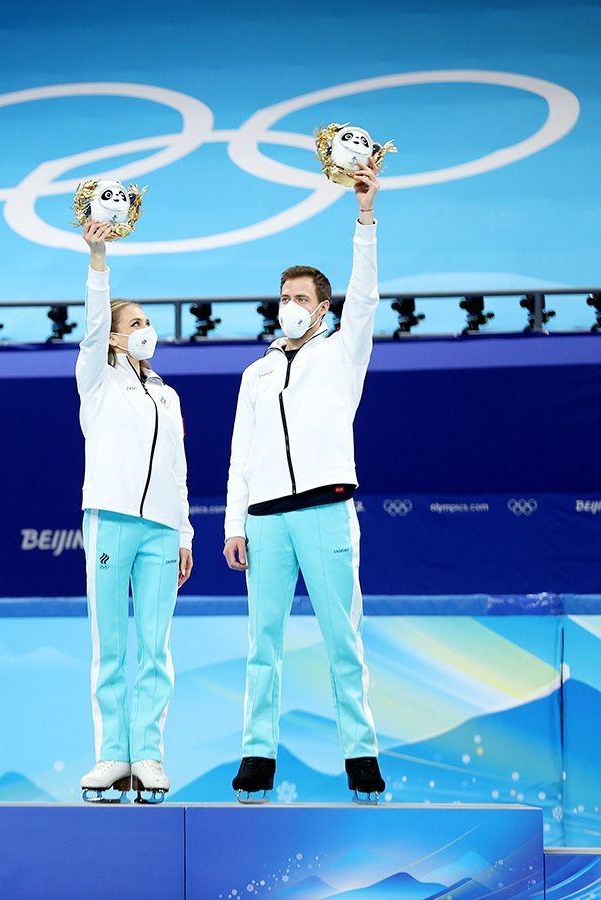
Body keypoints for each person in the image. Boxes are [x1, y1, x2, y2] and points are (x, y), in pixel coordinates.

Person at [223, 160, 385, 803]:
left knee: (343, 637)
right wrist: (234, 524)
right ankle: (257, 757)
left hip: (325, 510)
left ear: (322, 309)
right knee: (261, 645)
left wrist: (365, 216)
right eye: (283, 297)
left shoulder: (343, 354)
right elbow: (240, 454)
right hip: (264, 520)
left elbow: (365, 296)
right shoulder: (256, 374)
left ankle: (361, 755)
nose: (288, 306)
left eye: (300, 299)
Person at [74, 221, 193, 804]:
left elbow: (177, 469)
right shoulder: (96, 380)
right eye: (136, 323)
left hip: (162, 530)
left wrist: (185, 532)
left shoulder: (167, 395)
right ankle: (111, 755)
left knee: (156, 646)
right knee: (111, 644)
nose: (147, 330)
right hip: (111, 520)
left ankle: (146, 754)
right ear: (115, 338)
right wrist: (99, 259)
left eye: (148, 322)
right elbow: (95, 322)